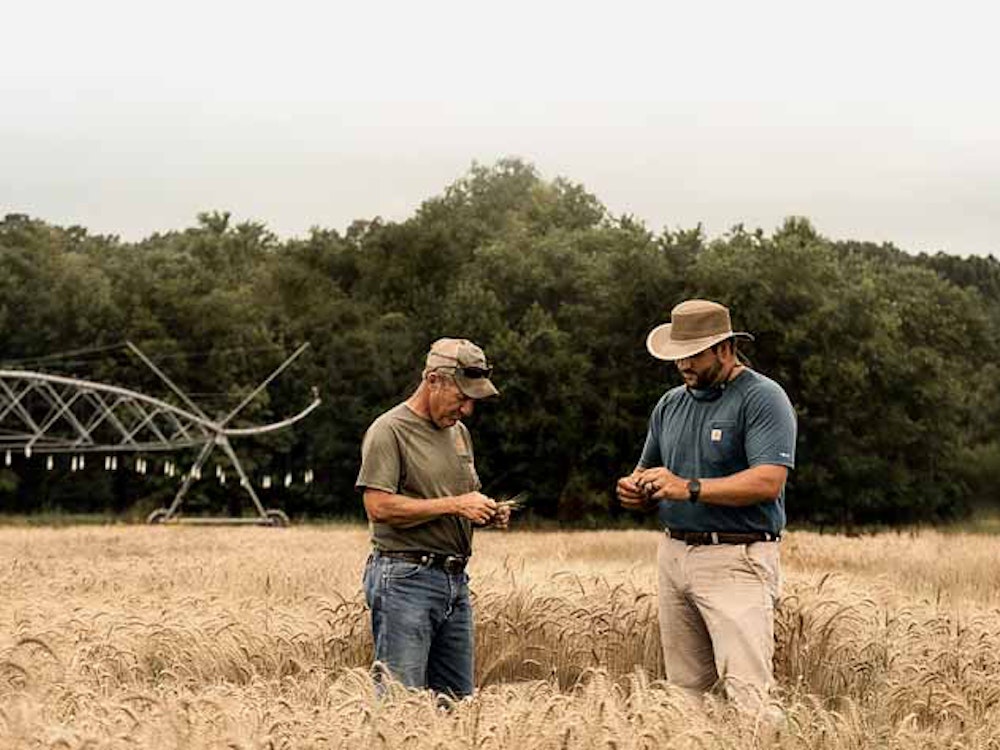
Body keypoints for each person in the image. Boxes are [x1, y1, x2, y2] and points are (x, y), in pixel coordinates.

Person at [616, 299, 796, 715]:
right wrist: (634, 491)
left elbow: (769, 480)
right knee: (685, 695)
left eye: (693, 354)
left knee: (749, 695)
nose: (683, 365)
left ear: (725, 349)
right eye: (678, 356)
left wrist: (688, 488)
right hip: (674, 555)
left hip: (736, 556)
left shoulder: (763, 398)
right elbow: (646, 470)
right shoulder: (669, 404)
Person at [356, 337, 509, 699]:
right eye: (462, 397)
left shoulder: (459, 435)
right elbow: (378, 507)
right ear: (433, 380)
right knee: (400, 705)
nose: (468, 409)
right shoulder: (388, 430)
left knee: (456, 706)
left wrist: (485, 512)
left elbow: (456, 497)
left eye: (473, 400)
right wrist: (457, 505)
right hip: (405, 580)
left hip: (455, 581)